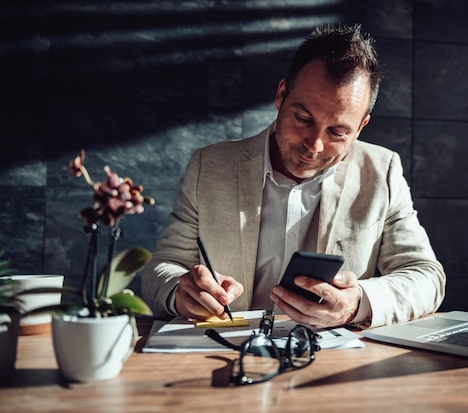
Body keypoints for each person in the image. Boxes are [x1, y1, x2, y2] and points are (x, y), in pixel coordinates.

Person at [141, 23, 445, 329]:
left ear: (361, 127)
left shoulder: (383, 172)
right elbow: (161, 269)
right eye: (302, 118)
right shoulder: (210, 166)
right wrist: (180, 292)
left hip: (331, 362)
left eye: (338, 132)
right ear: (281, 95)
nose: (314, 145)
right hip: (225, 349)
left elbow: (426, 276)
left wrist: (356, 303)